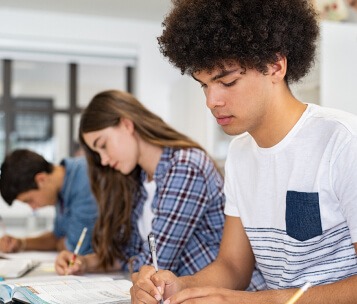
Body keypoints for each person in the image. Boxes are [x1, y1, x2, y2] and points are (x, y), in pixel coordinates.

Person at [131, 0, 357, 303]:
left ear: (276, 66)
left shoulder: (342, 142)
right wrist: (183, 286)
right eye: (204, 85)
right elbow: (233, 266)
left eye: (227, 81)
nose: (212, 101)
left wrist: (262, 300)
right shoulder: (240, 154)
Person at [54, 89, 230, 281]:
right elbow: (129, 255)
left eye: (103, 145)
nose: (103, 160)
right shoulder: (138, 179)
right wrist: (84, 262)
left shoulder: (185, 166)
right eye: (97, 153)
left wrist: (133, 261)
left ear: (127, 124)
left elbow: (156, 265)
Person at [0, 149, 98, 255]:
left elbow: (77, 248)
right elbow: (57, 238)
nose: (33, 207)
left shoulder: (85, 180)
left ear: (41, 179)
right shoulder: (61, 190)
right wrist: (21, 243)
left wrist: (64, 243)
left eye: (29, 200)